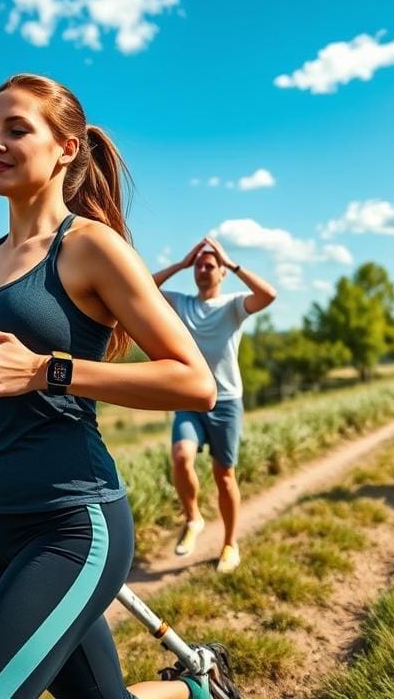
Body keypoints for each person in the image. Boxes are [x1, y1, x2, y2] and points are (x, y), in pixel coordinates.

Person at [0, 73, 227, 699]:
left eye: (17, 129)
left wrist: (50, 369)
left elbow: (195, 382)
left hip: (71, 522)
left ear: (66, 149)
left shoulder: (91, 248)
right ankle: (196, 689)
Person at [153, 237, 276, 573]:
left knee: (224, 476)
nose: (203, 270)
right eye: (199, 266)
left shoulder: (233, 305)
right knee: (180, 457)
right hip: (190, 400)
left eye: (210, 266)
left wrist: (233, 262)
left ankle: (229, 545)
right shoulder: (180, 303)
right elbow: (144, 288)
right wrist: (180, 263)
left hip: (225, 403)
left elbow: (268, 295)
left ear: (221, 272)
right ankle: (193, 518)